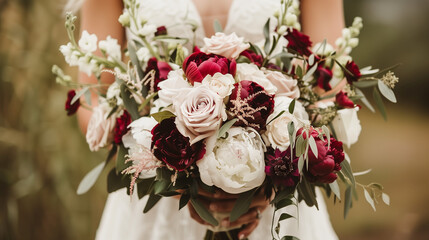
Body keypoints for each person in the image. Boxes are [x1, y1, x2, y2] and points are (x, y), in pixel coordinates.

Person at [71, 0, 345, 239]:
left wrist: (273, 177)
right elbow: (91, 100)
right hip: (158, 203)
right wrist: (172, 171)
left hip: (276, 206)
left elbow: (332, 91)